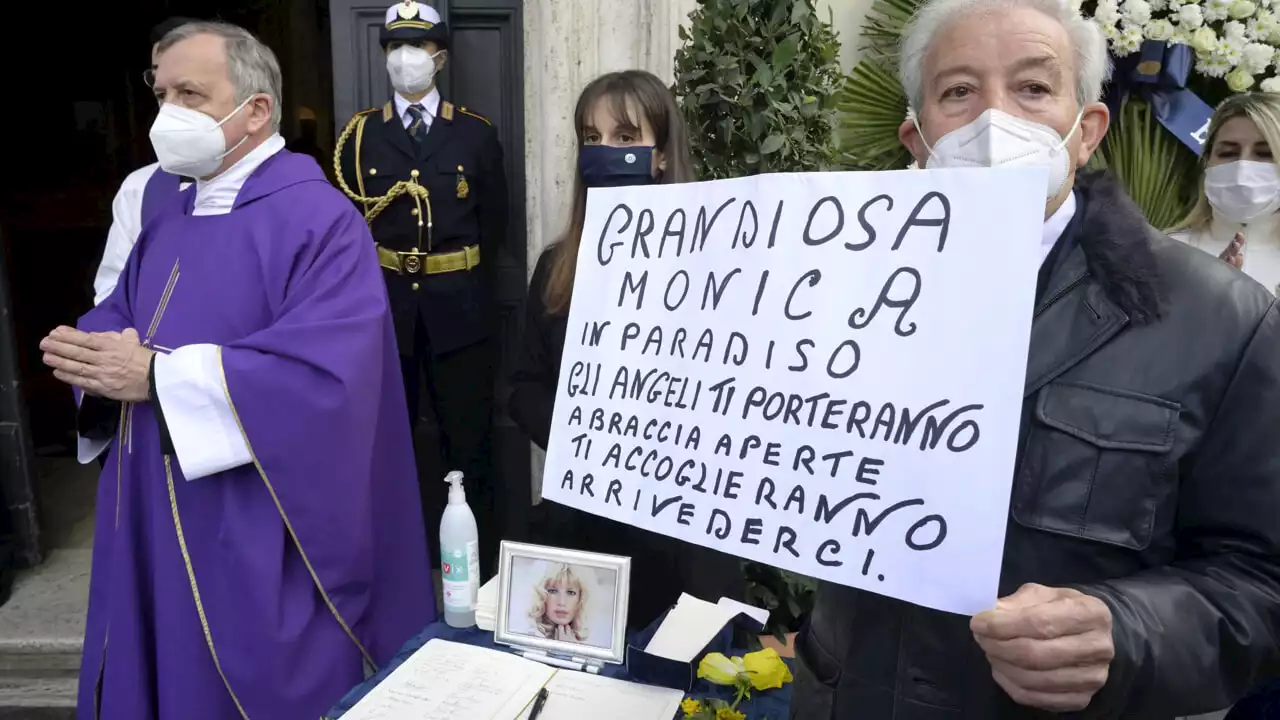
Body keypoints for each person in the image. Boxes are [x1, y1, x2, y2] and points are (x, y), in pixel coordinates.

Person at [789, 0, 1280, 716]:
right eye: (958, 92)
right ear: (917, 138)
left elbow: (1260, 581)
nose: (996, 120)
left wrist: (1127, 634)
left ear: (1086, 131)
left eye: (1032, 88)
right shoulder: (814, 294)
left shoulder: (1225, 322)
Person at [40, 21, 433, 719]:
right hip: (152, 507)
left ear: (255, 111)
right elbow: (118, 312)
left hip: (254, 520)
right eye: (161, 92)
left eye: (190, 93)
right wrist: (92, 357)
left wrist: (156, 377)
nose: (168, 112)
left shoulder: (321, 221)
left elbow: (329, 377)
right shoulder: (170, 213)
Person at [508, 70, 746, 632]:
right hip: (587, 523)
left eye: (623, 137)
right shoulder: (556, 267)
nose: (604, 152)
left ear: (660, 154)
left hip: (683, 534)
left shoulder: (718, 266)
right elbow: (522, 386)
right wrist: (590, 435)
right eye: (591, 139)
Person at [335, 1, 509, 574]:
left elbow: (496, 224)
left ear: (440, 56)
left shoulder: (476, 134)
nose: (404, 59)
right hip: (388, 313)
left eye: (416, 47)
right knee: (389, 445)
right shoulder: (360, 136)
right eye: (393, 48)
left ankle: (482, 577)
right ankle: (399, 568)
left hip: (461, 310)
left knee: (470, 444)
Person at [94, 16, 197, 306]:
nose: (168, 99)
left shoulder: (285, 191)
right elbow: (112, 293)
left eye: (186, 87)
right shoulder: (139, 189)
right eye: (160, 84)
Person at [1171, 92, 1280, 296]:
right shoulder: (1165, 253)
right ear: (1207, 164)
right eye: (1228, 153)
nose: (1242, 169)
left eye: (1265, 153)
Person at [527, 563, 590, 643]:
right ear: (542, 596)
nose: (562, 602)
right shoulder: (531, 637)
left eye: (570, 592)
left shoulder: (585, 640)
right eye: (553, 591)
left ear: (580, 599)